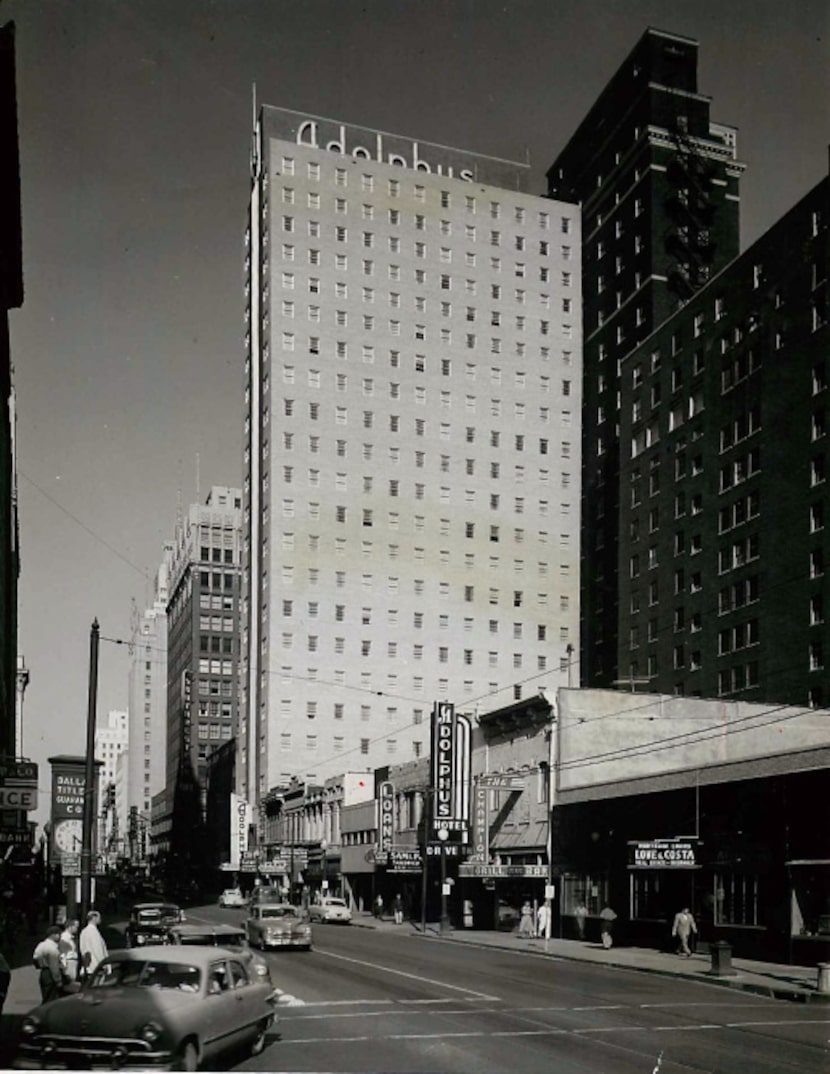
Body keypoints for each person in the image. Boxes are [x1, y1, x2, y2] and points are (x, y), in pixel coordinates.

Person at [33, 925, 66, 1003]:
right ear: (53, 935)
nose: (60, 937)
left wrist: (41, 964)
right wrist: (58, 981)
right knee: (52, 1000)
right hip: (50, 975)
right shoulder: (52, 948)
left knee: (45, 997)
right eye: (59, 934)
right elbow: (54, 966)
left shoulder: (41, 945)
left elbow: (35, 958)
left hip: (43, 974)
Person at [79, 910, 108, 978]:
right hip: (96, 965)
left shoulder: (84, 931)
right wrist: (103, 963)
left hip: (87, 965)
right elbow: (98, 949)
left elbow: (82, 948)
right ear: (94, 918)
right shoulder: (94, 932)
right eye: (99, 917)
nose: (100, 919)